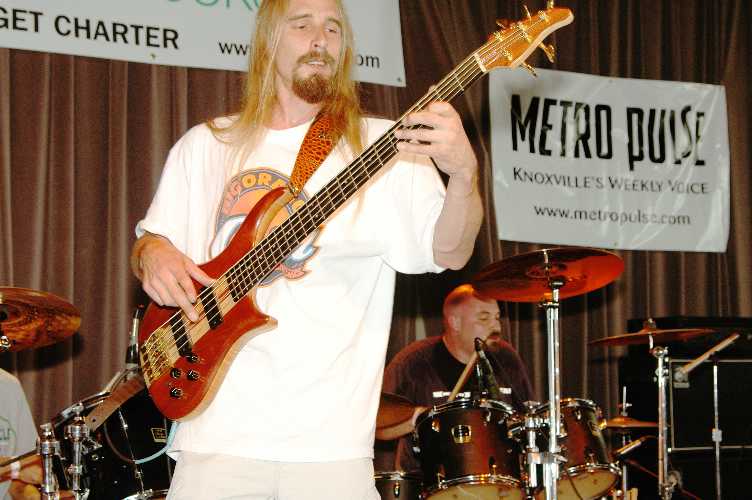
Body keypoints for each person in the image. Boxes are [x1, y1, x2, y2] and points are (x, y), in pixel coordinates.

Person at [129, 0, 482, 497]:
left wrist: (464, 175)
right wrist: (151, 252)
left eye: (333, 28)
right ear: (268, 42)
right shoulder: (206, 145)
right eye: (302, 25)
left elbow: (451, 251)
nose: (320, 39)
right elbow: (153, 239)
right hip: (217, 442)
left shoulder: (388, 145)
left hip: (332, 450)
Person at [377, 284, 534, 473]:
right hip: (428, 480)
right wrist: (421, 418)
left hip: (498, 478)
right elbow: (379, 425)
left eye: (497, 317)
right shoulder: (413, 362)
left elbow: (526, 421)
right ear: (455, 322)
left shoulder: (506, 358)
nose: (496, 327)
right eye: (484, 318)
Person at [0, 369, 41, 500]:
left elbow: (27, 470)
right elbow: (21, 469)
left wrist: (28, 494)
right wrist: (15, 468)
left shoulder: (9, 385)